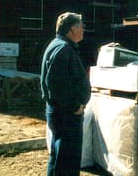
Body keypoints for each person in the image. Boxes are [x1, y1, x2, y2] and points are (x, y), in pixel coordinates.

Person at [40, 12, 91, 176]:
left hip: (61, 113)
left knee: (58, 158)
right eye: (82, 27)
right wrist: (75, 106)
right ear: (73, 28)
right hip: (67, 115)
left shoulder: (58, 45)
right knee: (66, 162)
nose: (83, 30)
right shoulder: (63, 49)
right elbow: (55, 85)